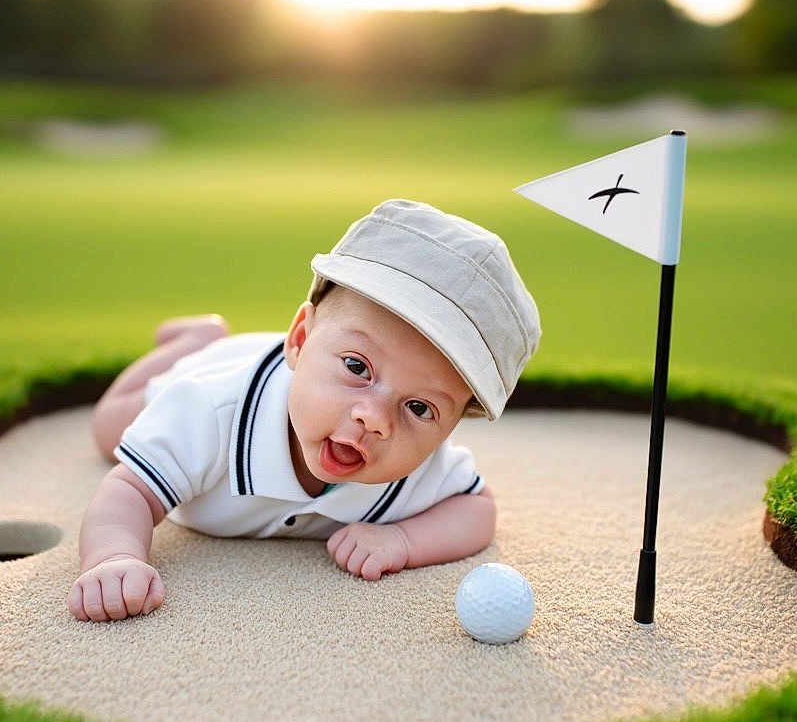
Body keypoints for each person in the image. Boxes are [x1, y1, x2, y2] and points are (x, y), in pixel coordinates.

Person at [68, 199, 541, 622]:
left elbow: (477, 509)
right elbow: (130, 489)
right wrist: (113, 557)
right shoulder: (209, 411)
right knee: (109, 429)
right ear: (300, 339)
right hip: (220, 367)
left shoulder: (420, 467)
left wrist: (403, 541)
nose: (374, 418)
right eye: (357, 367)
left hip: (290, 364)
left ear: (451, 425)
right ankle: (197, 339)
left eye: (419, 407)